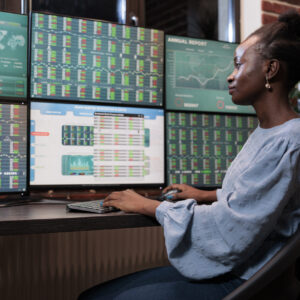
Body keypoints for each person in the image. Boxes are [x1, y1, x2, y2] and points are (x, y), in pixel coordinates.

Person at [79, 10, 300, 300]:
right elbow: (263, 200)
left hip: (248, 280)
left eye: (238, 64)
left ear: (270, 70)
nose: (230, 76)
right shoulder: (270, 133)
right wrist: (207, 195)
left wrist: (150, 207)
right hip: (245, 269)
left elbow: (232, 229)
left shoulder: (290, 139)